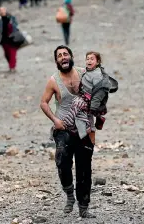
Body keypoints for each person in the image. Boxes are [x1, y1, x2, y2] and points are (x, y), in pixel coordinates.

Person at [40, 45, 96, 219]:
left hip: (84, 129)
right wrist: (55, 120)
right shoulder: (53, 81)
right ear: (56, 61)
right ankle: (69, 195)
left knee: (84, 169)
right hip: (64, 128)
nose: (63, 57)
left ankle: (83, 207)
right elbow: (43, 102)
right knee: (63, 163)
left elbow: (99, 94)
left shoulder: (84, 74)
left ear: (71, 57)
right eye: (59, 56)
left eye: (65, 54)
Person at [51, 51, 117, 145]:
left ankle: (68, 125)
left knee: (76, 108)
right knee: (75, 107)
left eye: (92, 59)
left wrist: (93, 107)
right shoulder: (87, 71)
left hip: (89, 101)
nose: (89, 61)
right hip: (83, 97)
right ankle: (74, 127)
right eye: (87, 59)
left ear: (98, 62)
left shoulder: (98, 76)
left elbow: (99, 93)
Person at [0, 7, 19, 73]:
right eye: (0, 10)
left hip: (12, 38)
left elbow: (16, 25)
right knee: (6, 53)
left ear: (5, 10)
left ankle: (12, 67)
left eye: (3, 10)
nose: (1, 11)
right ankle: (11, 65)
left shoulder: (11, 18)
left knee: (12, 53)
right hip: (3, 39)